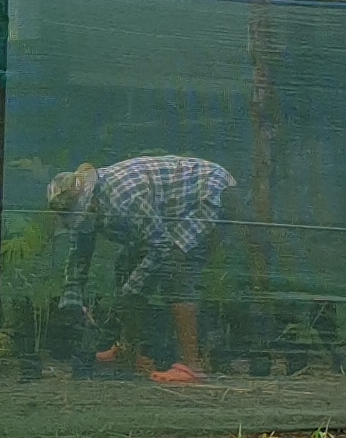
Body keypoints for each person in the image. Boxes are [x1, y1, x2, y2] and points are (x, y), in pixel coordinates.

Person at [47, 151, 235, 382]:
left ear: (91, 199)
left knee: (175, 267)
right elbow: (79, 253)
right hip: (165, 215)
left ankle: (191, 365)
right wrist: (72, 300)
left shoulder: (126, 198)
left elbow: (161, 246)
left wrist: (131, 292)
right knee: (125, 266)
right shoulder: (82, 208)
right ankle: (129, 351)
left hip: (205, 194)